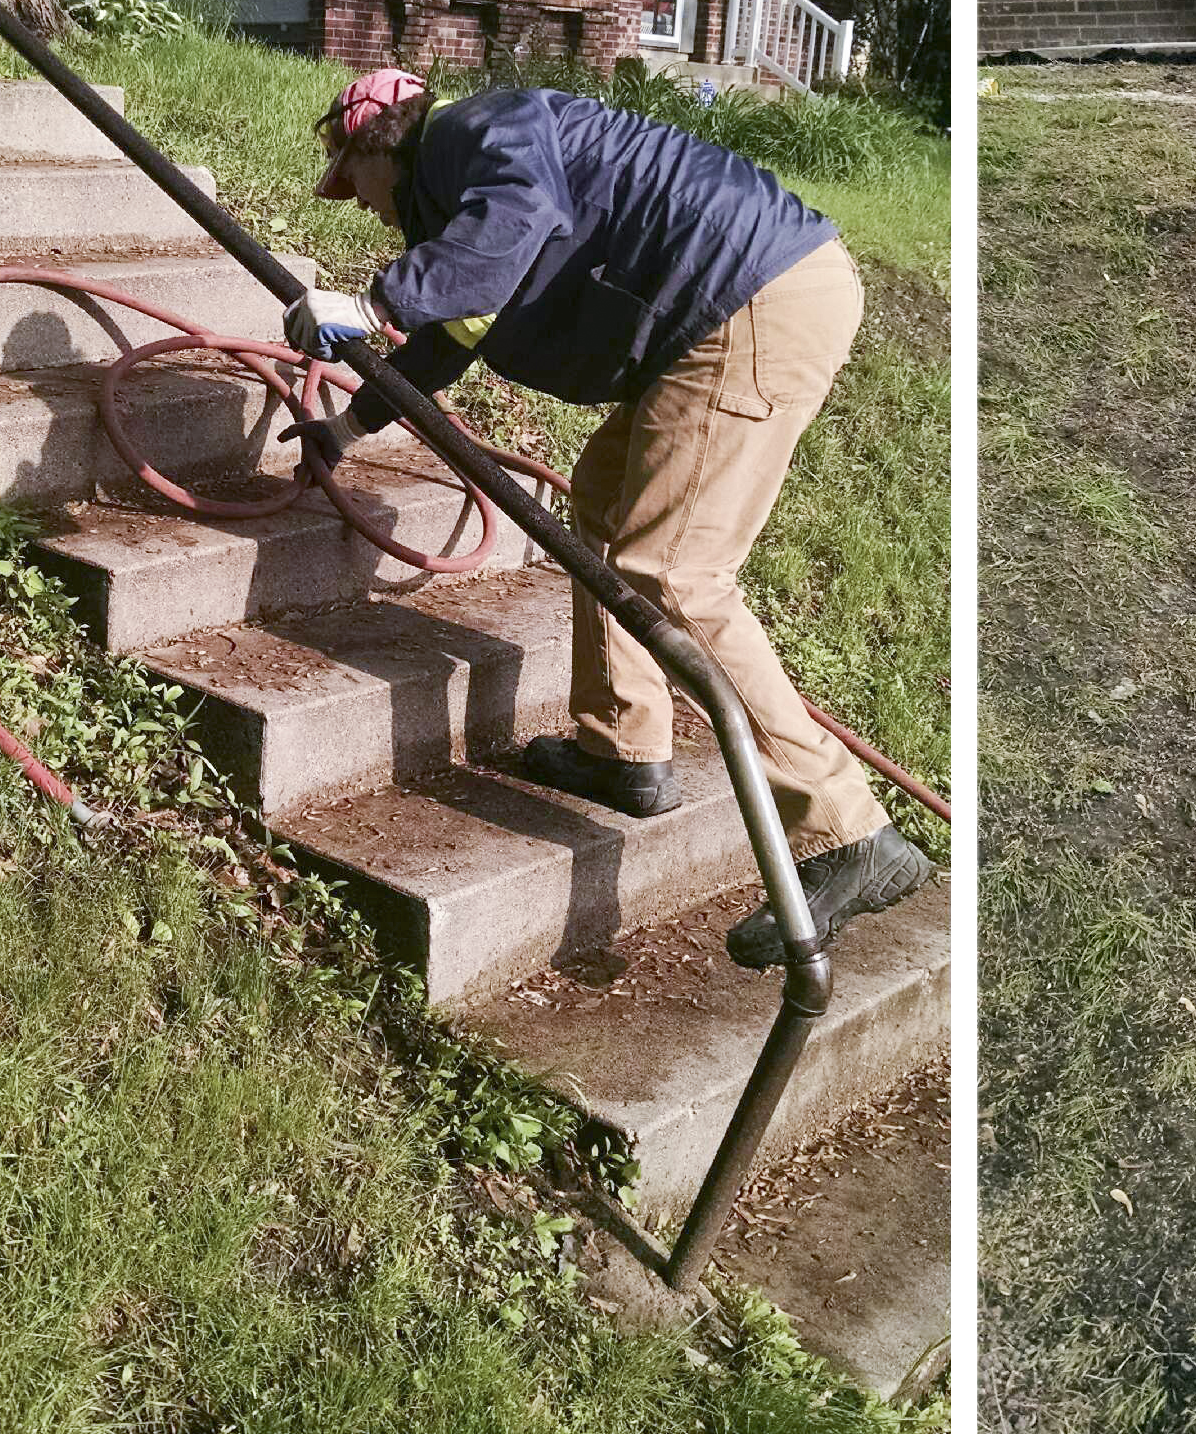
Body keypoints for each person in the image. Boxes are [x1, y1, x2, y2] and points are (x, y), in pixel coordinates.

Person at [285, 68, 935, 966]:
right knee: (596, 504)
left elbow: (516, 215)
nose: (354, 206)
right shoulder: (464, 202)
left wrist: (369, 304)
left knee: (676, 573)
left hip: (743, 302)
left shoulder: (478, 129)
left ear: (376, 142)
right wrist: (348, 428)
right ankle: (622, 745)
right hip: (720, 309)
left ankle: (846, 831)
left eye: (348, 182)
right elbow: (449, 340)